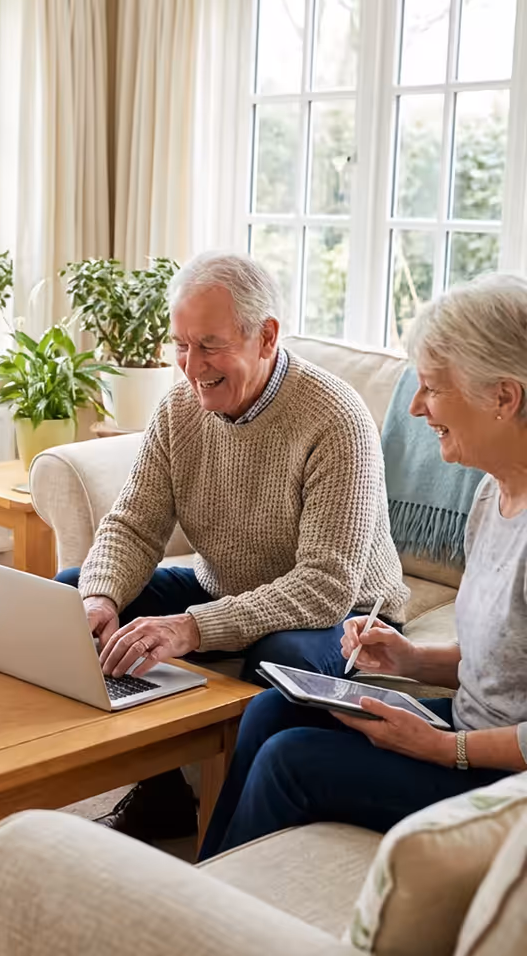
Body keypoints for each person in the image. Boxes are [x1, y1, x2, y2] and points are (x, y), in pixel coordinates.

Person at [58, 251, 409, 841]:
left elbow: (324, 585)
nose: (192, 367)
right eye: (181, 345)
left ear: (266, 336)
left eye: (209, 346)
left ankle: (231, 847)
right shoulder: (178, 409)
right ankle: (162, 789)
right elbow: (132, 525)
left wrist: (191, 627)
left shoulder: (335, 418)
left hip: (343, 611)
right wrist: (101, 596)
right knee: (69, 596)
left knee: (283, 658)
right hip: (225, 585)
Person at [198, 273, 527, 860]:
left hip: (502, 779)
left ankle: (211, 928)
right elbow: (507, 666)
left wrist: (442, 749)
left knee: (291, 761)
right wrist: (412, 659)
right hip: (465, 727)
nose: (416, 408)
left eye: (432, 388)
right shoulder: (492, 496)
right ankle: (206, 887)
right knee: (274, 707)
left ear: (505, 397)